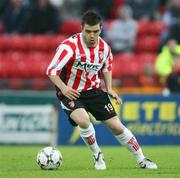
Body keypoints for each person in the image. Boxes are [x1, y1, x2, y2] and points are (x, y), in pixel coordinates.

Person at [46, 10, 157, 170]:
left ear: (101, 28)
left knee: (117, 126)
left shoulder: (104, 48)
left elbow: (107, 66)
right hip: (71, 92)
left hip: (94, 90)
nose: (92, 35)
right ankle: (97, 155)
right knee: (84, 120)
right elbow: (51, 70)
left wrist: (110, 88)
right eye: (88, 31)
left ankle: (142, 159)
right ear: (82, 28)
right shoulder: (68, 47)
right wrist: (64, 88)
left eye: (96, 31)